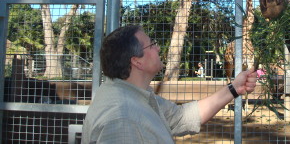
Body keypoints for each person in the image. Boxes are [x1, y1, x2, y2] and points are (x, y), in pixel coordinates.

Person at [82, 25, 257, 143]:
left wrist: (234, 88)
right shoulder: (122, 118)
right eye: (151, 45)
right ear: (137, 62)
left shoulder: (135, 96)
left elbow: (182, 117)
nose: (158, 48)